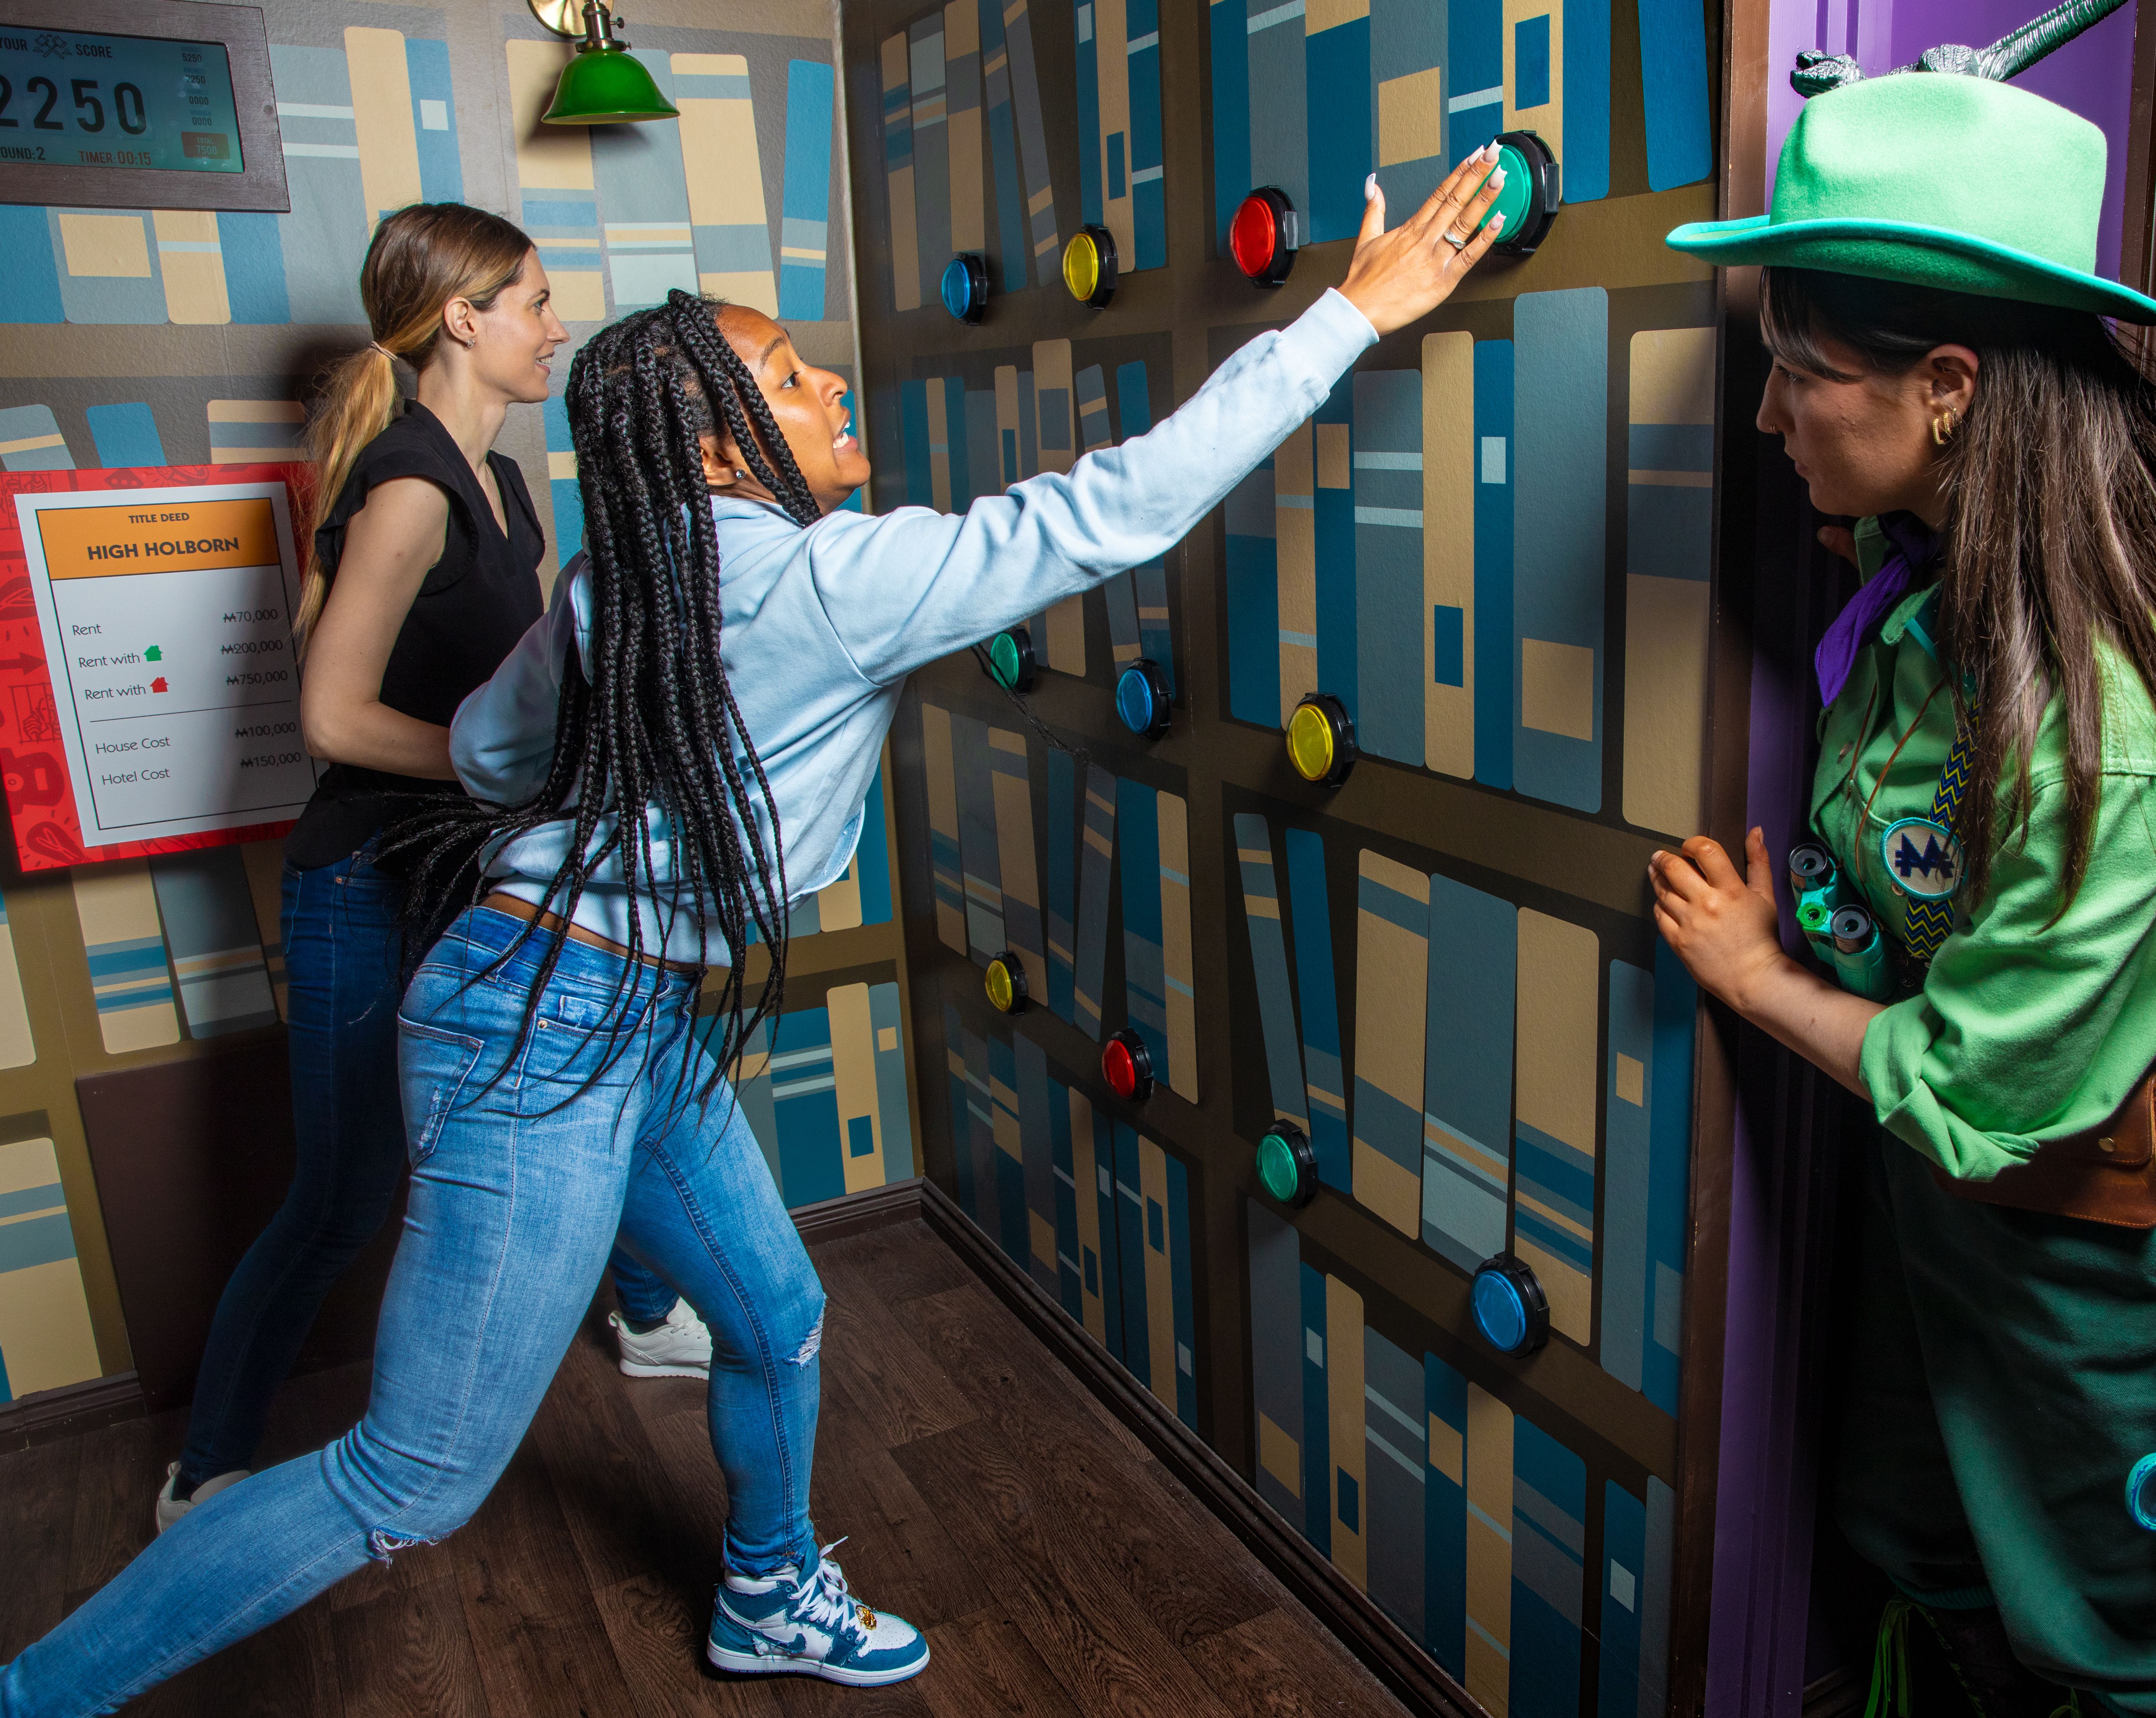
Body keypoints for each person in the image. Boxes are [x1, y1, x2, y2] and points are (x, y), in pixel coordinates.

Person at [0, 153, 1511, 1714]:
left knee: (777, 1317)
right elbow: (1107, 511)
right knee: (410, 1480)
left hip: (602, 1011)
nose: (834, 385)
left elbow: (492, 758)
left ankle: (767, 1591)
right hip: (548, 1032)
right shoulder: (830, 585)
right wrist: (1349, 314)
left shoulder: (615, 583)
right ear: (720, 446)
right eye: (791, 378)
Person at [1650, 72, 2156, 1718]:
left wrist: (1759, 979)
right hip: (1976, 1160)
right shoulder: (1942, 546)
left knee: (2126, 1622)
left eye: (1800, 373)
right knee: (1927, 1532)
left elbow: (1981, 1087)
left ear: (1950, 388)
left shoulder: (2117, 723)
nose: (1766, 419)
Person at [155, 205, 710, 1537]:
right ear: (464, 318)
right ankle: (203, 1467)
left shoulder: (505, 485)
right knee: (343, 1195)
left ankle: (645, 1314)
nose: (556, 327)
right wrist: (515, 775)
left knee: (584, 1088)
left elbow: (518, 691)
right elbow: (332, 720)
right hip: (364, 884)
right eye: (535, 302)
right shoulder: (409, 482)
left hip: (474, 869)